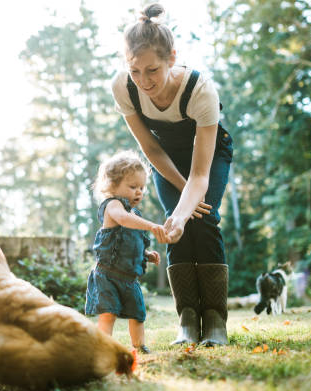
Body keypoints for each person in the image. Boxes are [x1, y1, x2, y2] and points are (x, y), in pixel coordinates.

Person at [111, 3, 233, 346]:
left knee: (204, 219)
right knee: (173, 225)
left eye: (152, 70)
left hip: (209, 156)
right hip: (165, 158)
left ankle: (215, 322)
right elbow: (150, 150)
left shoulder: (200, 89)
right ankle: (187, 320)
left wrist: (190, 204)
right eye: (135, 71)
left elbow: (199, 174)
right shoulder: (123, 88)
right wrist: (180, 209)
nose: (144, 81)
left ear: (171, 57)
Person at [85, 150, 167, 354]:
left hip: (129, 277)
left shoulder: (135, 214)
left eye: (142, 187)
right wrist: (150, 226)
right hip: (108, 274)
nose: (139, 192)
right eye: (132, 187)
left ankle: (139, 346)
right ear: (113, 186)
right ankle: (103, 347)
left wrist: (145, 254)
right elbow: (122, 219)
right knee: (108, 313)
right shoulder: (113, 205)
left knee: (137, 313)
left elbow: (132, 241)